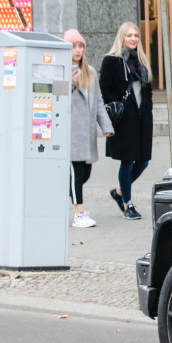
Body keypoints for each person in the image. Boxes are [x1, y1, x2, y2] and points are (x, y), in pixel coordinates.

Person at [100, 21, 153, 220]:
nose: (133, 39)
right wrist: (116, 113)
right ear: (121, 37)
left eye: (136, 35)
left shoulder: (141, 61)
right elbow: (105, 89)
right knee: (128, 161)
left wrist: (148, 114)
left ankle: (120, 191)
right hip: (123, 120)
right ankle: (127, 204)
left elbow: (147, 92)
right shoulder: (111, 61)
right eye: (129, 35)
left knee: (144, 161)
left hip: (141, 120)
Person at [66, 29, 113, 228]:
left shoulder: (90, 71)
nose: (77, 51)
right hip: (70, 132)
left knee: (84, 174)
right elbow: (53, 98)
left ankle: (61, 199)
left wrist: (106, 125)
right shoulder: (60, 70)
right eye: (73, 47)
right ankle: (79, 212)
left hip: (87, 133)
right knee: (76, 173)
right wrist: (70, 84)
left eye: (80, 46)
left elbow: (99, 102)